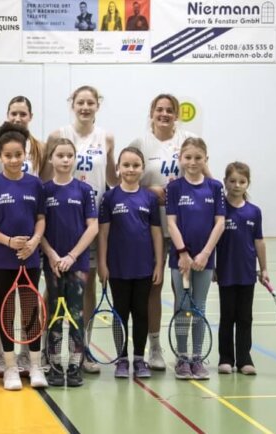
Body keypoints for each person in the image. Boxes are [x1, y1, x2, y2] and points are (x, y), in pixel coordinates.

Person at [44, 85, 118, 374]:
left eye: (90, 102)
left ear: (97, 105)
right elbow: (45, 177)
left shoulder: (106, 137)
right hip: (62, 220)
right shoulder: (57, 135)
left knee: (86, 288)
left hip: (92, 222)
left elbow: (112, 177)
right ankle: (49, 349)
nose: (85, 107)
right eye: (80, 102)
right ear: (72, 104)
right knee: (53, 290)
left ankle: (82, 348)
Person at [0, 96, 46, 377]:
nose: (14, 160)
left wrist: (34, 242)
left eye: (19, 155)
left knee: (30, 309)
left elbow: (41, 219)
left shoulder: (35, 184)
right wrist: (7, 242)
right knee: (6, 310)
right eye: (8, 156)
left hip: (31, 257)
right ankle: (9, 367)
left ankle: (35, 364)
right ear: (0, 156)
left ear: (25, 154)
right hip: (2, 257)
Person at [128, 94, 198, 371]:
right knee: (153, 288)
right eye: (159, 109)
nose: (164, 114)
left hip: (184, 227)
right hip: (152, 227)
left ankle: (183, 350)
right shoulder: (140, 143)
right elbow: (127, 179)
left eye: (170, 110)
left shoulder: (188, 139)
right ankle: (154, 347)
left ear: (176, 115)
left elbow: (204, 175)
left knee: (182, 289)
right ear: (152, 113)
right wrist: (150, 190)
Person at [97, 147, 163, 379]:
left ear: (142, 169)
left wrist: (158, 264)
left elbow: (156, 233)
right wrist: (102, 264)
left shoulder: (149, 198)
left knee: (141, 313)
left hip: (144, 268)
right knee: (120, 314)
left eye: (135, 165)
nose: (131, 169)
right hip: (117, 268)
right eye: (126, 165)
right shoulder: (109, 198)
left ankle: (139, 359)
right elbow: (103, 234)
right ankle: (122, 359)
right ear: (118, 168)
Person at [39, 138, 98, 387]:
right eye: (60, 155)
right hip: (52, 264)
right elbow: (38, 229)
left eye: (69, 156)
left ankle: (74, 364)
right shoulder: (44, 190)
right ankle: (53, 364)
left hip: (77, 264)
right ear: (51, 159)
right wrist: (52, 255)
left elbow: (93, 227)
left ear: (75, 159)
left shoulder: (84, 190)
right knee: (54, 314)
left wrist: (72, 256)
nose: (65, 160)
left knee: (75, 314)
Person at [167, 138, 225, 380]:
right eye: (188, 157)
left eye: (198, 158)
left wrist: (205, 254)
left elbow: (220, 223)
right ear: (180, 159)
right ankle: (182, 358)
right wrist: (183, 253)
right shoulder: (174, 187)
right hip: (180, 260)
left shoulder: (215, 187)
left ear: (206, 160)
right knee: (182, 308)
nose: (192, 162)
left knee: (199, 308)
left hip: (204, 260)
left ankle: (197, 357)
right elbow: (171, 222)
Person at [216, 162, 267, 376]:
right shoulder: (219, 210)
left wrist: (264, 269)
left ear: (248, 183)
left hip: (247, 274)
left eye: (242, 181)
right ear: (225, 182)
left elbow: (259, 241)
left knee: (245, 318)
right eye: (232, 181)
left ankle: (245, 359)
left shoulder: (254, 212)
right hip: (226, 273)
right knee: (227, 317)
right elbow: (213, 240)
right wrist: (213, 267)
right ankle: (226, 358)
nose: (237, 185)